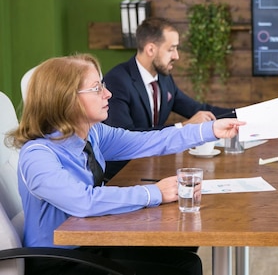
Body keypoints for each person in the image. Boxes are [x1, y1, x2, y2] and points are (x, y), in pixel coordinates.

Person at [6, 53, 245, 275]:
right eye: (97, 88)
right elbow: (84, 202)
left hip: (91, 241)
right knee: (184, 267)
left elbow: (150, 141)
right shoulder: (38, 155)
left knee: (184, 254)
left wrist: (210, 130)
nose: (107, 94)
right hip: (60, 261)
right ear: (67, 99)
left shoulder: (93, 134)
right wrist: (155, 193)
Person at [103, 17, 235, 180]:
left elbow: (198, 109)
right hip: (122, 176)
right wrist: (184, 126)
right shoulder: (117, 81)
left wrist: (247, 115)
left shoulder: (164, 79)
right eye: (171, 49)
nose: (177, 56)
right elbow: (125, 137)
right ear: (151, 49)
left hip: (153, 168)